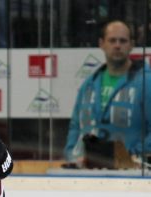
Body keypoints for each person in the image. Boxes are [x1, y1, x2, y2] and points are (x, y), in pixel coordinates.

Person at [64, 20, 151, 167]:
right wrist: (73, 155)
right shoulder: (89, 84)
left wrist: (134, 156)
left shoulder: (146, 83)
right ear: (101, 44)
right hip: (88, 172)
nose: (117, 45)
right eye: (112, 40)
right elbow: (75, 126)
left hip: (132, 173)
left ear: (131, 45)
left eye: (123, 41)